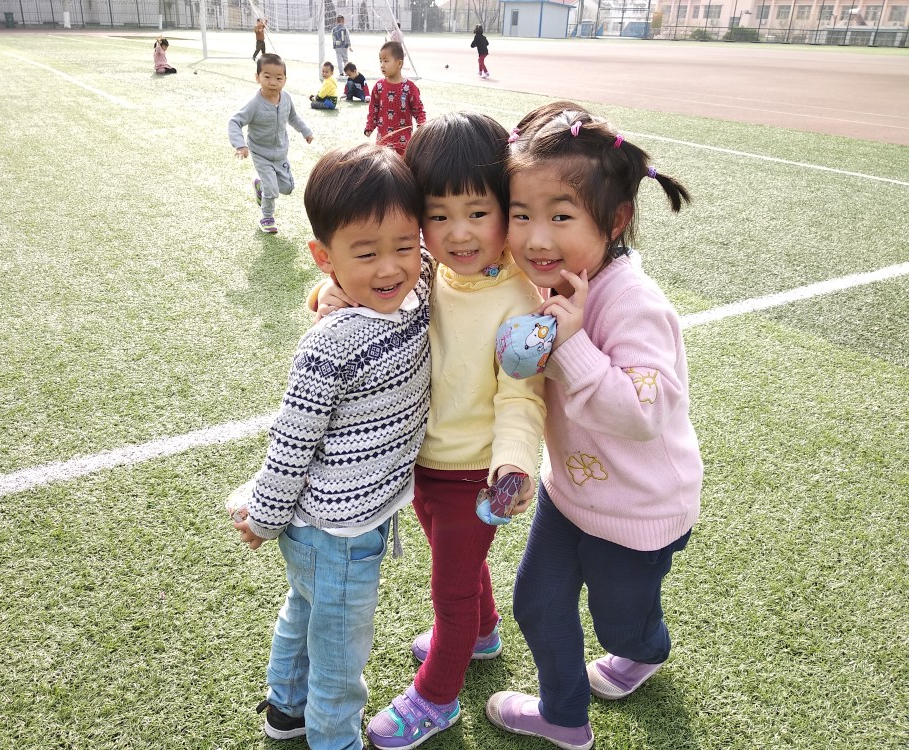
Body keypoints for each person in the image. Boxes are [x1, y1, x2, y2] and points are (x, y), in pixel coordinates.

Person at [314, 113, 546, 749]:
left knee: (450, 592)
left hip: (476, 477)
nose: (458, 232)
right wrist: (325, 295)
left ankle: (436, 699)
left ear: (507, 208)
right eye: (438, 215)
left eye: (478, 212)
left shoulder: (522, 304)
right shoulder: (426, 269)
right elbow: (370, 282)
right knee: (461, 571)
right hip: (423, 464)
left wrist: (514, 463)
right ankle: (483, 635)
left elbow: (521, 396)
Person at [483, 102, 701, 750]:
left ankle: (646, 649)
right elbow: (462, 277)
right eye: (521, 214)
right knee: (535, 602)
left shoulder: (632, 302)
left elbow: (644, 412)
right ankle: (564, 716)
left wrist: (574, 345)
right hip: (569, 493)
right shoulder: (544, 278)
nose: (535, 238)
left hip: (639, 511)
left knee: (620, 627)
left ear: (616, 219)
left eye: (560, 216)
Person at [227, 143, 433, 750]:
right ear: (325, 257)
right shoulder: (329, 345)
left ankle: (285, 710)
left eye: (404, 246)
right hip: (334, 530)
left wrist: (329, 289)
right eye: (365, 254)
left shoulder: (415, 294)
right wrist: (265, 517)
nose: (390, 268)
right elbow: (292, 441)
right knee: (340, 652)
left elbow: (438, 263)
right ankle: (333, 739)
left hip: (347, 522)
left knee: (306, 610)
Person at [228, 53, 314, 234]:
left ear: (285, 80)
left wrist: (305, 131)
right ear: (257, 77)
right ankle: (266, 217)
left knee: (287, 188)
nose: (273, 82)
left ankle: (260, 185)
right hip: (260, 153)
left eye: (278, 78)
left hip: (281, 153)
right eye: (267, 77)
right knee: (272, 189)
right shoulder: (254, 104)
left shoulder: (286, 98)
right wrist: (240, 145)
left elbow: (293, 117)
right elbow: (235, 121)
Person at [364, 42, 425, 158]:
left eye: (386, 61)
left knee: (402, 167)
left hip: (403, 144)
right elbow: (373, 109)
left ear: (399, 63)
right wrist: (369, 126)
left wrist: (421, 125)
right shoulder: (379, 86)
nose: (382, 65)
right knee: (382, 167)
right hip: (382, 143)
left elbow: (418, 110)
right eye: (380, 61)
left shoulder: (409, 87)